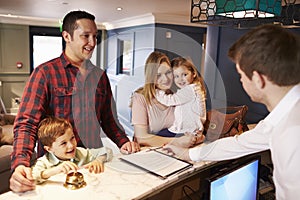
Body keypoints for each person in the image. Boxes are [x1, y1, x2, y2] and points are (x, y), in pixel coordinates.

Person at [164, 24, 300, 199]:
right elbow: (240, 143)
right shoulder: (283, 117)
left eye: (241, 75)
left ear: (258, 79)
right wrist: (189, 154)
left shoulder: (292, 133)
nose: (241, 81)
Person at [10, 10, 140, 193]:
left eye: (95, 36)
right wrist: (20, 163)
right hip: (58, 171)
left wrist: (123, 141)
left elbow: (109, 119)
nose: (92, 43)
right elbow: (27, 123)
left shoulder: (100, 76)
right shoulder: (44, 73)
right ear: (67, 36)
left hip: (94, 165)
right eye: (85, 36)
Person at [130, 51, 205, 147]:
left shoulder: (176, 97)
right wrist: (176, 141)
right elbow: (141, 137)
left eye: (168, 72)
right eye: (158, 75)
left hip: (173, 150)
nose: (165, 79)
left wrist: (195, 135)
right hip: (148, 152)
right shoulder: (140, 98)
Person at [32, 117, 112, 183]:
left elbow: (106, 151)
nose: (71, 146)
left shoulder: (81, 153)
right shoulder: (44, 162)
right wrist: (54, 170)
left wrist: (98, 160)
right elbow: (32, 177)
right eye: (63, 143)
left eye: (72, 138)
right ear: (49, 149)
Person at [155, 57, 206, 136]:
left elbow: (170, 101)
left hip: (185, 131)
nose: (180, 79)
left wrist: (156, 92)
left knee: (157, 137)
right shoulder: (195, 88)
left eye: (184, 75)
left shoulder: (190, 90)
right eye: (176, 76)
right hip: (191, 129)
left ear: (194, 74)